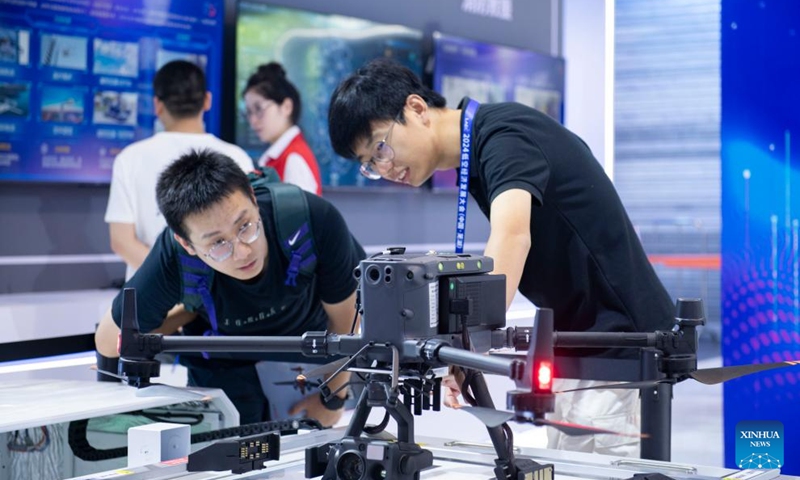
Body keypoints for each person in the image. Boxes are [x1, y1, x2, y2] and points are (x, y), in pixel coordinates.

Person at [326, 58, 675, 456]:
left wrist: (469, 346)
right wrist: (465, 346)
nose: (384, 168)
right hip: (582, 345)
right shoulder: (479, 151)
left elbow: (512, 235)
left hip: (619, 346)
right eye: (370, 165)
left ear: (417, 109)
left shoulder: (503, 135)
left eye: (380, 148)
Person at [95, 149, 365, 426]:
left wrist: (333, 397)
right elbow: (108, 340)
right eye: (217, 244)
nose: (242, 251)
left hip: (309, 356)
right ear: (187, 244)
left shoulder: (310, 219)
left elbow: (345, 321)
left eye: (245, 225)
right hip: (223, 365)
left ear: (252, 197)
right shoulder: (174, 257)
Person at [105, 60, 254, 280]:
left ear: (158, 105)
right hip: (223, 299)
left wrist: (176, 283)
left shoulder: (130, 158)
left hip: (155, 302)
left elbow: (122, 242)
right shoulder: (237, 157)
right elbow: (250, 230)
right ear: (207, 100)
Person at [242, 62, 322, 195]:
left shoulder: (293, 159)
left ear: (286, 107)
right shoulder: (281, 155)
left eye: (259, 109)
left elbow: (300, 215)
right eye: (249, 112)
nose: (253, 120)